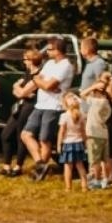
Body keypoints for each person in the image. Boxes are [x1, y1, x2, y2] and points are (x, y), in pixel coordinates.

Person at [25, 36, 75, 180]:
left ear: (58, 50)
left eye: (49, 49)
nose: (47, 51)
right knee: (26, 134)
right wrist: (43, 82)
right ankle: (41, 163)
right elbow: (38, 79)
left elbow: (48, 85)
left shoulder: (66, 65)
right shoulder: (49, 64)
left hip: (54, 106)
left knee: (44, 140)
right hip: (40, 104)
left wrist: (44, 83)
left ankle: (39, 173)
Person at [0, 53, 41, 177]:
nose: (23, 61)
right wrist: (20, 90)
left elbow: (29, 94)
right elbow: (17, 90)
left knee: (20, 135)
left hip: (29, 107)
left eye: (25, 59)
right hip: (20, 106)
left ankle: (18, 166)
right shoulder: (27, 73)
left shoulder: (38, 75)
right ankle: (6, 164)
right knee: (5, 134)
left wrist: (19, 89)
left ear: (31, 60)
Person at [83, 74, 112, 190]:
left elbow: (82, 94)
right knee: (104, 158)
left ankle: (96, 180)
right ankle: (105, 179)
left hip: (93, 132)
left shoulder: (96, 101)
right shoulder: (106, 102)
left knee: (94, 160)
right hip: (103, 132)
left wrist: (93, 87)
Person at [57, 91, 90, 190]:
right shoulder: (82, 115)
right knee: (80, 166)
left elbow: (61, 132)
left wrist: (59, 144)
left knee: (68, 167)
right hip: (79, 143)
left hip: (68, 144)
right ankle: (84, 186)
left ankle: (68, 187)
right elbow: (83, 131)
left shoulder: (64, 116)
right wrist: (85, 142)